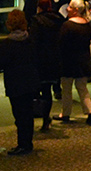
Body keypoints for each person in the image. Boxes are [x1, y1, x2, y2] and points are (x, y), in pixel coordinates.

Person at [0, 9, 40, 155]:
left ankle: (22, 144)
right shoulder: (30, 40)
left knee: (19, 115)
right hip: (29, 81)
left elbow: (1, 64)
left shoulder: (8, 43)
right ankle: (27, 143)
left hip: (15, 83)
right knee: (28, 114)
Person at [56, 2, 91, 125]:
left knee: (66, 89)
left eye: (70, 7)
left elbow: (60, 43)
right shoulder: (87, 25)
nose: (67, 9)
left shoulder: (67, 25)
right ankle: (89, 112)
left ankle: (66, 113)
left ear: (75, 10)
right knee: (82, 88)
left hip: (68, 61)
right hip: (83, 60)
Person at [29, 0, 65, 133]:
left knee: (40, 90)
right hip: (54, 60)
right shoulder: (58, 20)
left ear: (39, 7)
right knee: (48, 91)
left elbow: (34, 43)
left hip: (40, 62)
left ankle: (42, 116)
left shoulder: (37, 21)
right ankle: (45, 118)